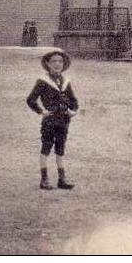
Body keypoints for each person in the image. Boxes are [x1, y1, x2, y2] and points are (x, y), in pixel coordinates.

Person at [26, 50, 79, 190]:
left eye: (60, 61)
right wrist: (41, 111)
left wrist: (72, 111)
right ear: (48, 64)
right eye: (54, 61)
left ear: (64, 64)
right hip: (50, 120)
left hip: (63, 120)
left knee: (60, 148)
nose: (57, 64)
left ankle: (62, 179)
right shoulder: (43, 81)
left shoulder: (65, 81)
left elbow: (74, 101)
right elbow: (30, 100)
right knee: (46, 147)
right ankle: (44, 179)